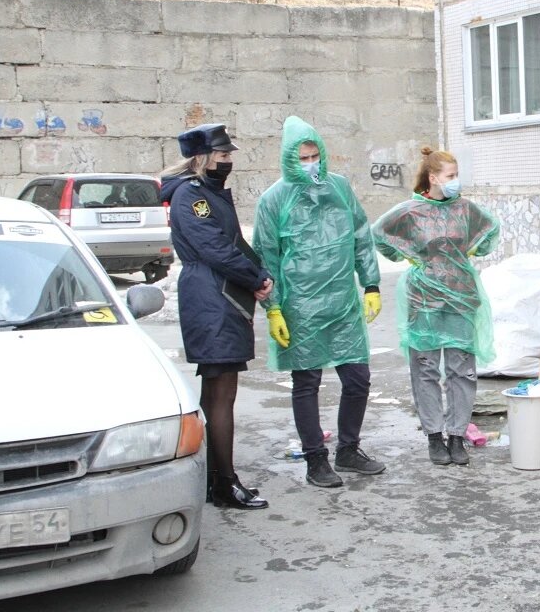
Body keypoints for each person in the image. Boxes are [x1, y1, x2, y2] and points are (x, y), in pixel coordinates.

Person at [253, 116, 386, 489]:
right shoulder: (274, 199)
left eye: (315, 156)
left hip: (342, 302)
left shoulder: (339, 188)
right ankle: (316, 459)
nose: (311, 164)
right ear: (288, 159)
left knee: (358, 379)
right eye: (303, 158)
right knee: (307, 382)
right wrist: (273, 307)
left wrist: (371, 284)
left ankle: (349, 449)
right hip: (301, 306)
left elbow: (361, 235)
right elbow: (266, 256)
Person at [161, 123, 272, 510]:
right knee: (221, 393)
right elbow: (216, 249)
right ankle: (225, 483)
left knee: (218, 392)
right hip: (212, 296)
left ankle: (216, 479)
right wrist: (256, 278)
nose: (228, 162)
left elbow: (233, 242)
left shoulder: (205, 192)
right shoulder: (192, 196)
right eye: (223, 155)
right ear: (202, 158)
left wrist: (258, 275)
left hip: (219, 294)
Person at [372, 147, 500, 466]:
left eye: (457, 175)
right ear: (433, 178)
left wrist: (471, 250)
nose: (456, 181)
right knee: (426, 369)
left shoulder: (465, 209)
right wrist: (406, 255)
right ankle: (434, 436)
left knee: (462, 369)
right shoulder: (411, 211)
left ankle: (457, 435)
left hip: (460, 296)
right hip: (424, 299)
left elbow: (490, 228)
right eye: (450, 176)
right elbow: (380, 233)